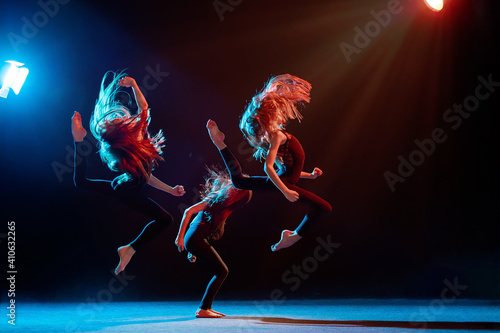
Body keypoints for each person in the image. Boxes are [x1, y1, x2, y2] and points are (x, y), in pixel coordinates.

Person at [71, 71, 185, 275]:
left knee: (82, 182)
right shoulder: (128, 142)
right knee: (166, 220)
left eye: (117, 115)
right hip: (127, 189)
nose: (118, 114)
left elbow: (145, 175)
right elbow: (144, 109)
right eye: (115, 118)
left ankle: (128, 250)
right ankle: (129, 250)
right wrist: (133, 85)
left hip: (125, 186)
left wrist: (170, 190)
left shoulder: (134, 142)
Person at [206, 74, 332, 252]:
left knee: (239, 181)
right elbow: (268, 167)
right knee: (323, 208)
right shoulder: (278, 136)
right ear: (270, 116)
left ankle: (220, 143)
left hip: (284, 180)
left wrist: (310, 175)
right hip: (284, 183)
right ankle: (291, 237)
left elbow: (288, 168)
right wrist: (285, 190)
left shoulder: (279, 135)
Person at [175, 167, 251, 318]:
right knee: (222, 271)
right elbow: (188, 211)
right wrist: (180, 237)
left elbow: (199, 222)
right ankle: (203, 309)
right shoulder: (215, 197)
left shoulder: (223, 204)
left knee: (221, 271)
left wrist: (192, 249)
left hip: (196, 238)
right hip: (194, 238)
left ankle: (205, 308)